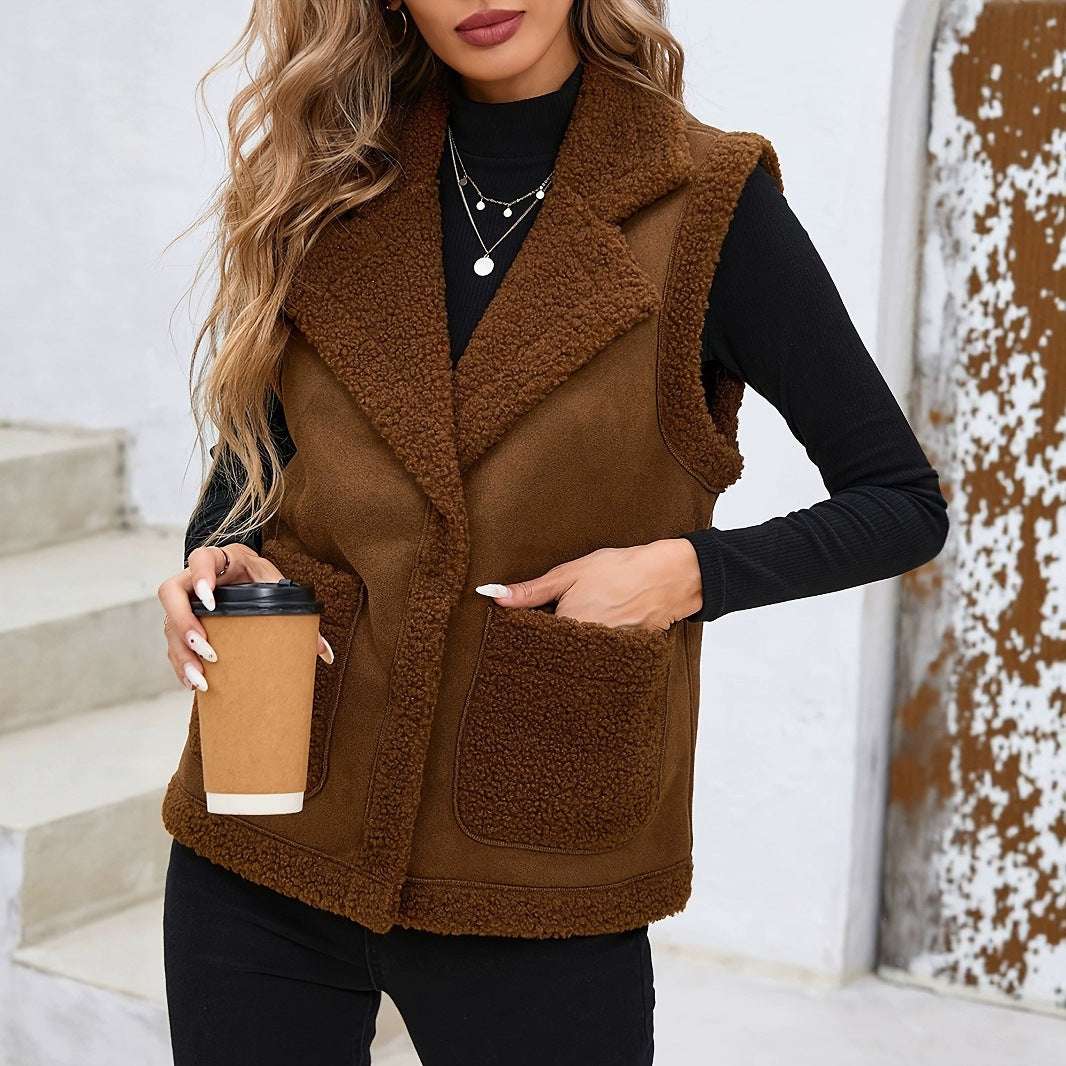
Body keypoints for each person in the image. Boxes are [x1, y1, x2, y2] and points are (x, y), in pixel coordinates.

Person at [157, 3, 950, 1064]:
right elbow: (253, 466)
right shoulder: (335, 181)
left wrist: (689, 571)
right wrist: (212, 556)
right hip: (265, 831)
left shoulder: (707, 204)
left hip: (538, 859)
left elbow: (899, 501)